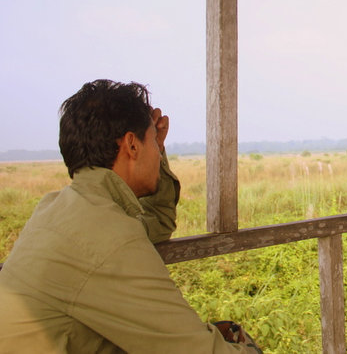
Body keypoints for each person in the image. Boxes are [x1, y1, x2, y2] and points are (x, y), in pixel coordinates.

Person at [0, 80, 261, 353]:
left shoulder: (61, 208)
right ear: (132, 146)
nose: (158, 152)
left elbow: (158, 223)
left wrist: (156, 150)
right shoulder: (110, 239)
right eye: (152, 142)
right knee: (235, 339)